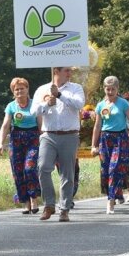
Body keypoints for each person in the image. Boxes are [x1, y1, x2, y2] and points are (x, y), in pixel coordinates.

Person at [31, 67, 84, 222]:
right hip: (49, 134)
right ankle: (49, 204)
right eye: (66, 71)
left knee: (67, 173)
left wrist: (59, 95)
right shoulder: (42, 89)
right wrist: (47, 104)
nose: (70, 74)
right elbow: (34, 111)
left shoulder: (76, 88)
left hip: (69, 135)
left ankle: (65, 208)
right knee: (43, 167)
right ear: (56, 71)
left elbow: (79, 104)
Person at [91, 77, 129, 214]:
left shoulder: (123, 104)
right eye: (108, 89)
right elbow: (97, 126)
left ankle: (111, 200)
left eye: (113, 89)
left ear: (117, 89)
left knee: (114, 169)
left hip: (120, 139)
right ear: (104, 89)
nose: (110, 92)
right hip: (105, 139)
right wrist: (93, 145)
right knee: (106, 170)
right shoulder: (101, 105)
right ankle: (116, 194)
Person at [0, 78, 41, 214]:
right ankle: (25, 201)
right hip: (16, 139)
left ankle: (34, 198)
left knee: (29, 168)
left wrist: (44, 140)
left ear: (27, 89)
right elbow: (5, 125)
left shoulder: (35, 104)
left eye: (22, 88)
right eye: (16, 89)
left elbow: (41, 124)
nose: (19, 91)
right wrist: (1, 143)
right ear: (13, 92)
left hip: (33, 138)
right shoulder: (11, 106)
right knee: (18, 171)